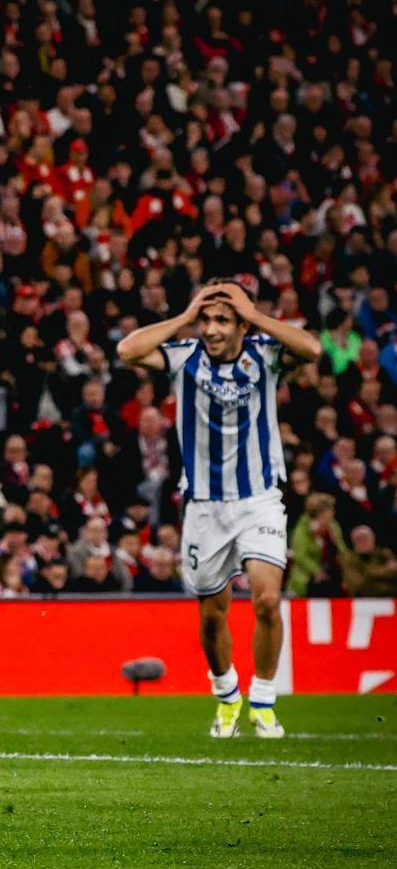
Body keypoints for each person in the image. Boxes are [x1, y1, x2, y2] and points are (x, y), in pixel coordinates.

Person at [117, 278, 319, 739]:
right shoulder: (184, 356)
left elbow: (311, 349)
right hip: (205, 506)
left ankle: (263, 702)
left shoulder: (265, 353)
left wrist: (253, 314)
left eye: (222, 320)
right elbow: (129, 350)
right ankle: (227, 694)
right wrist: (186, 316)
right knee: (212, 614)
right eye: (207, 319)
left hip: (260, 499)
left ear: (242, 325)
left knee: (268, 599)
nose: (211, 328)